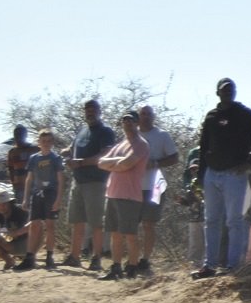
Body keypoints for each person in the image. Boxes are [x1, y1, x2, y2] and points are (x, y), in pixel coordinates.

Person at [194, 78, 251, 279]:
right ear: (217, 93)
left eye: (231, 90)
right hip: (212, 174)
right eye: (224, 90)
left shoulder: (245, 114)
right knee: (211, 220)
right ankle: (209, 266)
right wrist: (200, 176)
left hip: (234, 175)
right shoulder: (211, 117)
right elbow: (204, 147)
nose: (228, 93)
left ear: (235, 92)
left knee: (234, 221)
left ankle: (233, 266)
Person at [96, 109, 150, 280]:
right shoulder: (120, 145)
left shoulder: (141, 144)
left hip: (130, 196)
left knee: (130, 235)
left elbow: (128, 163)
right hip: (112, 193)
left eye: (132, 120)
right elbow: (100, 162)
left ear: (137, 123)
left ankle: (132, 268)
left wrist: (115, 164)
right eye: (125, 120)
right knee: (115, 234)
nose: (128, 123)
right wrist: (117, 163)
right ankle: (116, 267)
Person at [63, 99, 116, 272]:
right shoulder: (82, 131)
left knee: (96, 223)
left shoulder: (105, 131)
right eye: (87, 110)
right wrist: (67, 153)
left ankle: (96, 259)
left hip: (96, 182)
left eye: (93, 109)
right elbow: (72, 148)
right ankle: (74, 256)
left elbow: (105, 155)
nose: (90, 112)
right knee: (77, 221)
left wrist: (81, 162)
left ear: (100, 111)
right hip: (78, 181)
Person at [135, 105, 179, 274]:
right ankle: (133, 258)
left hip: (155, 186)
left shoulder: (162, 135)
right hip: (134, 186)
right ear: (138, 117)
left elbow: (174, 157)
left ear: (153, 117)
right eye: (142, 114)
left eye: (148, 114)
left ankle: (145, 259)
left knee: (148, 224)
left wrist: (155, 163)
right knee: (132, 225)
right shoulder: (132, 135)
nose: (145, 117)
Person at [17, 128, 66, 271]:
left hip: (50, 193)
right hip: (36, 194)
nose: (46, 143)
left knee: (50, 225)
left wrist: (58, 199)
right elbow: (29, 179)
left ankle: (49, 256)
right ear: (39, 142)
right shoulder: (34, 158)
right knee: (34, 225)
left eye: (49, 141)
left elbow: (60, 179)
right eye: (43, 141)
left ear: (52, 143)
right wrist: (26, 198)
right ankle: (30, 256)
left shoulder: (55, 158)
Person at [176, 160, 206, 270]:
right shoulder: (189, 186)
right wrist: (182, 201)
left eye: (196, 169)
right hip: (193, 218)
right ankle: (194, 264)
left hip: (205, 217)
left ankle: (206, 262)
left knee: (207, 240)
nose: (194, 171)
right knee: (194, 242)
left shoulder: (207, 183)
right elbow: (189, 202)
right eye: (192, 169)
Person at [6, 125, 39, 202]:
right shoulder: (12, 152)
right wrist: (14, 184)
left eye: (21, 134)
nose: (18, 136)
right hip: (19, 187)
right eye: (16, 134)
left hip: (34, 186)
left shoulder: (35, 149)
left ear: (26, 135)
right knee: (22, 209)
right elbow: (11, 169)